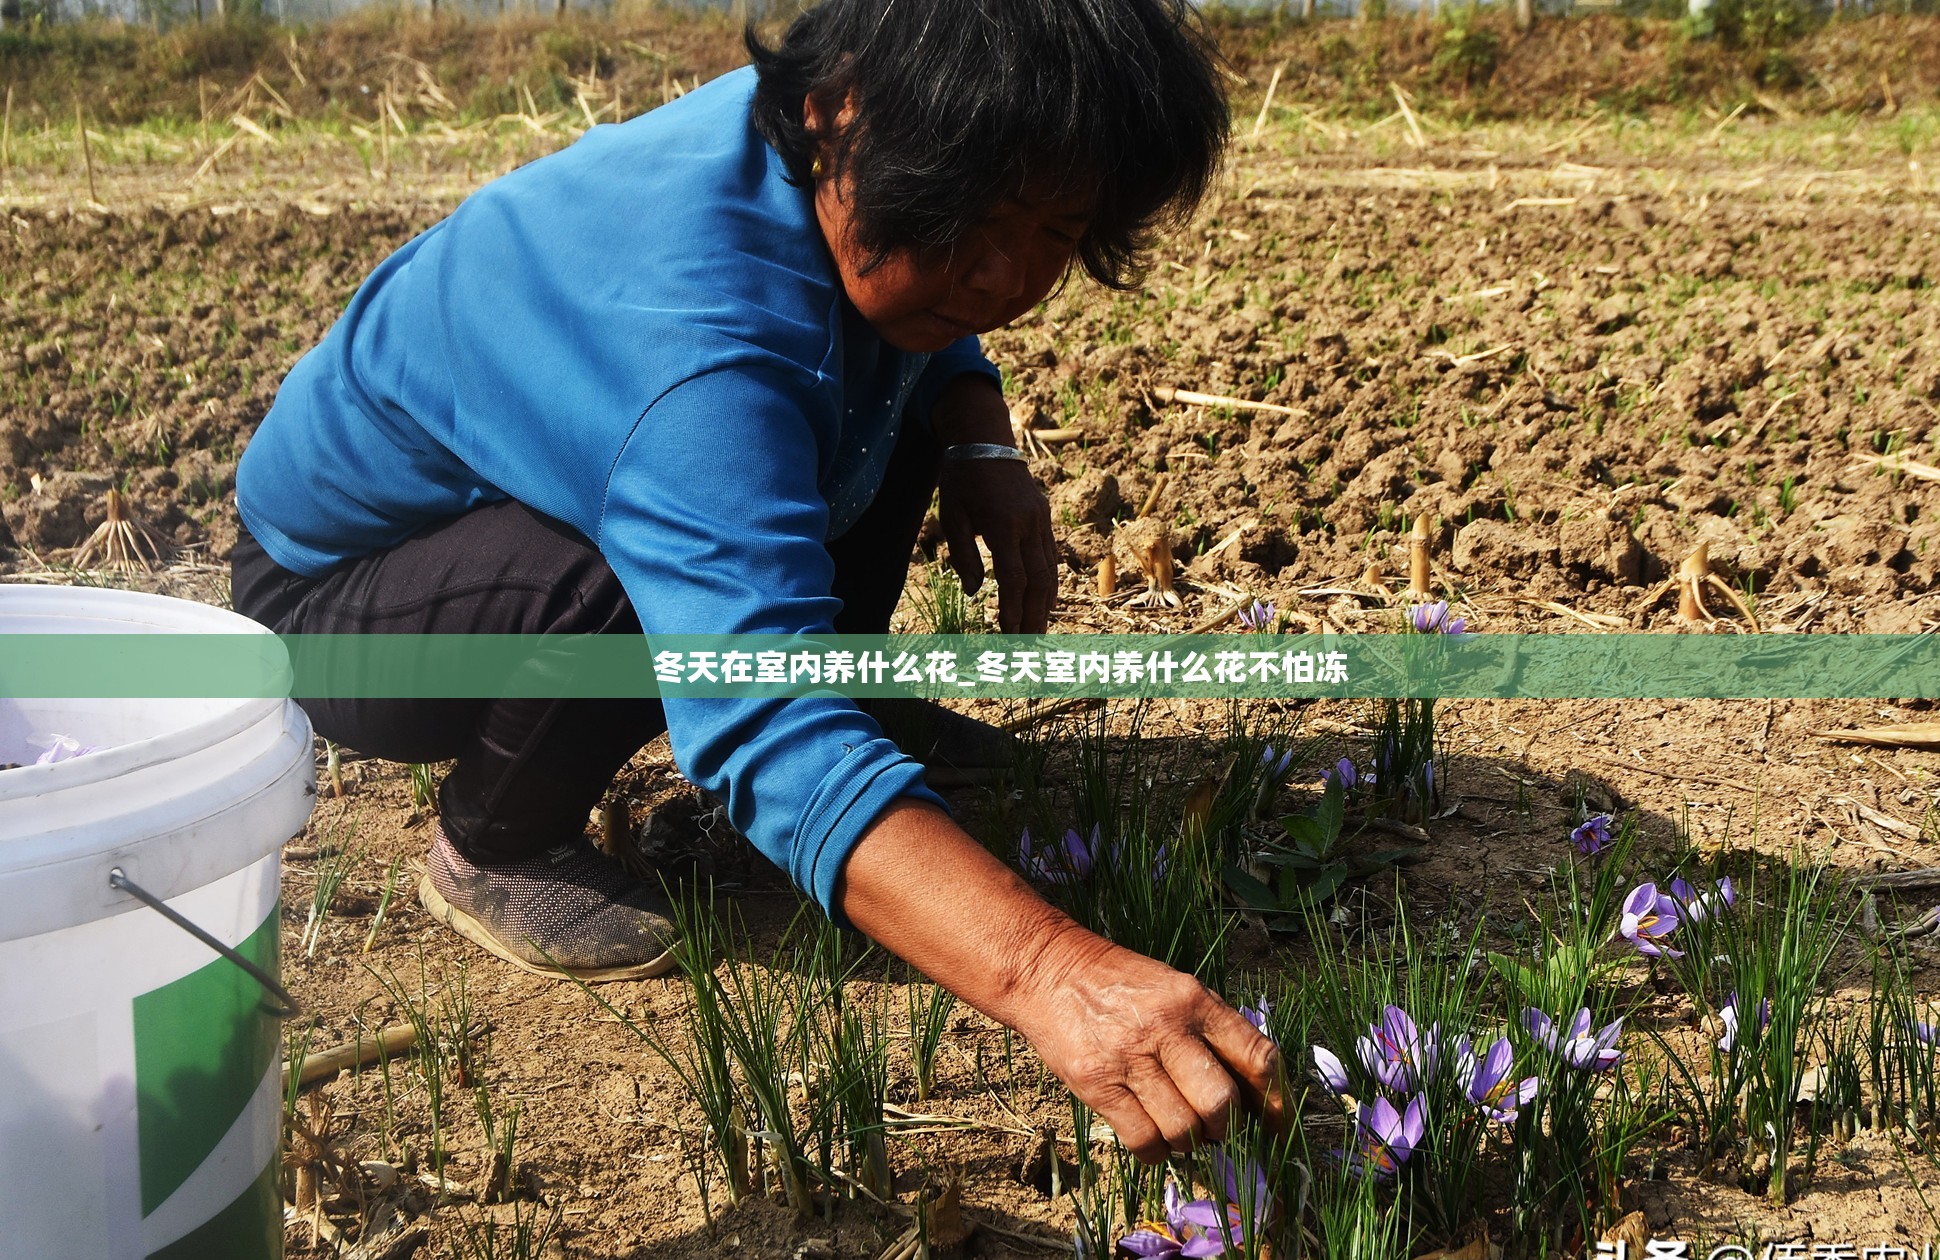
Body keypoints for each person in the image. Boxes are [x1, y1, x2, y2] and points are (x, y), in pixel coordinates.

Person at [231, 0, 1282, 1163]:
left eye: (1052, 227)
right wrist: (1049, 970)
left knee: (890, 381)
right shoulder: (695, 353)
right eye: (970, 214)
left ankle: (852, 724)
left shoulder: (845, 158)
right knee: (633, 578)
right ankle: (495, 842)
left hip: (549, 496)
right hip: (335, 603)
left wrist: (977, 430)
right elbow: (757, 712)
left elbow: (937, 309)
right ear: (830, 108)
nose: (998, 273)